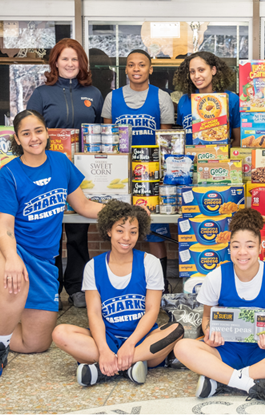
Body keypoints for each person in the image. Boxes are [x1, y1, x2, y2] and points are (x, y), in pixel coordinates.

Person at [0, 110, 104, 380]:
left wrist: (125, 209)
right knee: (14, 280)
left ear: (46, 133)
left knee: (35, 344)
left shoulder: (61, 163)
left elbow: (84, 206)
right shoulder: (10, 173)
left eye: (38, 130)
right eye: (26, 133)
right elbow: (4, 228)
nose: (34, 138)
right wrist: (13, 259)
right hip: (1, 245)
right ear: (17, 138)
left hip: (42, 260)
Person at [172, 208, 265, 405]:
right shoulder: (216, 276)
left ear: (260, 248)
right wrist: (209, 333)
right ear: (229, 249)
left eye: (250, 246)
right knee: (182, 347)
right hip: (224, 351)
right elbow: (207, 318)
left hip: (262, 354)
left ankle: (222, 381)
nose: (242, 252)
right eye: (236, 246)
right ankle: (255, 385)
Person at [51, 200, 184, 386]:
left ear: (140, 232)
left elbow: (152, 311)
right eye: (120, 230)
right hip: (108, 337)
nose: (127, 238)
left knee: (176, 330)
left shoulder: (150, 262)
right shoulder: (93, 267)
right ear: (109, 231)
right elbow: (94, 313)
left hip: (141, 339)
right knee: (60, 332)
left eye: (133, 231)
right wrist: (104, 348)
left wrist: (130, 344)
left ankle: (103, 369)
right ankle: (130, 365)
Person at [26, 38, 104, 310]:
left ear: (81, 63)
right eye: (64, 59)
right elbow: (30, 133)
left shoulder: (94, 93)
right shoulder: (41, 94)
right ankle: (50, 288)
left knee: (77, 232)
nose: (70, 64)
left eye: (75, 59)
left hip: (82, 174)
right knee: (49, 231)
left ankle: (76, 287)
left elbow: (99, 134)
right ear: (55, 63)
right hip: (48, 170)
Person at [102, 49, 175, 291]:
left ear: (150, 69)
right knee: (120, 227)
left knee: (155, 229)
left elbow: (166, 140)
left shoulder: (161, 97)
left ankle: (161, 283)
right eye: (131, 65)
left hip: (151, 174)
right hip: (121, 175)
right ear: (125, 70)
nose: (136, 69)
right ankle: (119, 281)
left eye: (141, 65)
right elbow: (107, 139)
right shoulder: (112, 98)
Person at [173, 51, 241, 146]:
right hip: (190, 159)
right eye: (192, 71)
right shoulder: (184, 100)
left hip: (219, 158)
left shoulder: (231, 99)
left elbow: (238, 140)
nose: (196, 76)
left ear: (213, 70)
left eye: (201, 70)